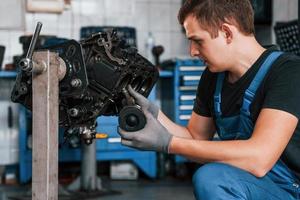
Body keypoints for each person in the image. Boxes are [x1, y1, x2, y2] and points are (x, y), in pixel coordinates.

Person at [118, 0, 300, 199]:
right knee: (214, 177)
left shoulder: (288, 72)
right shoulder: (213, 77)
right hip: (252, 183)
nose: (192, 51)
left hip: (290, 189)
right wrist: (154, 113)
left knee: (212, 179)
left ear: (227, 33)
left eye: (198, 41)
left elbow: (259, 158)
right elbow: (195, 138)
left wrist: (168, 144)